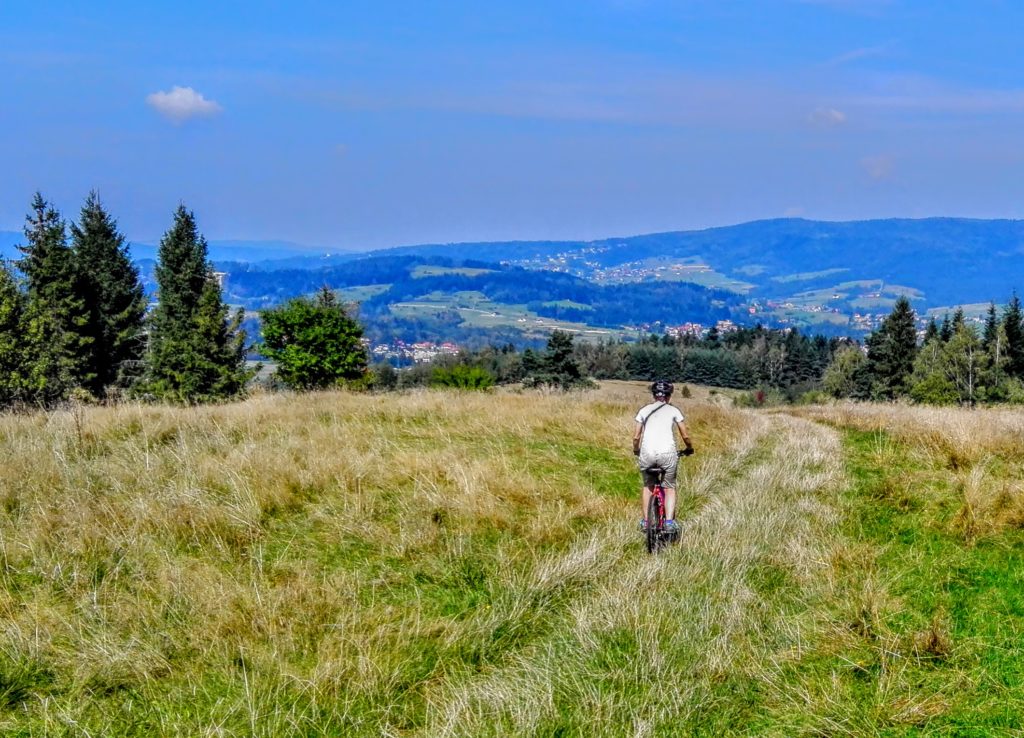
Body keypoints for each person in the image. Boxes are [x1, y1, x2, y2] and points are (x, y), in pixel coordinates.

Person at [633, 379, 694, 532]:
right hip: (667, 454)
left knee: (648, 486)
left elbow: (636, 437)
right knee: (669, 487)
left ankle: (646, 522)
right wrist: (689, 447)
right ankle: (669, 523)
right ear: (669, 395)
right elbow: (685, 435)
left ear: (654, 395)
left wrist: (636, 450)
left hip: (647, 454)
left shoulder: (644, 410)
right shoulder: (674, 411)